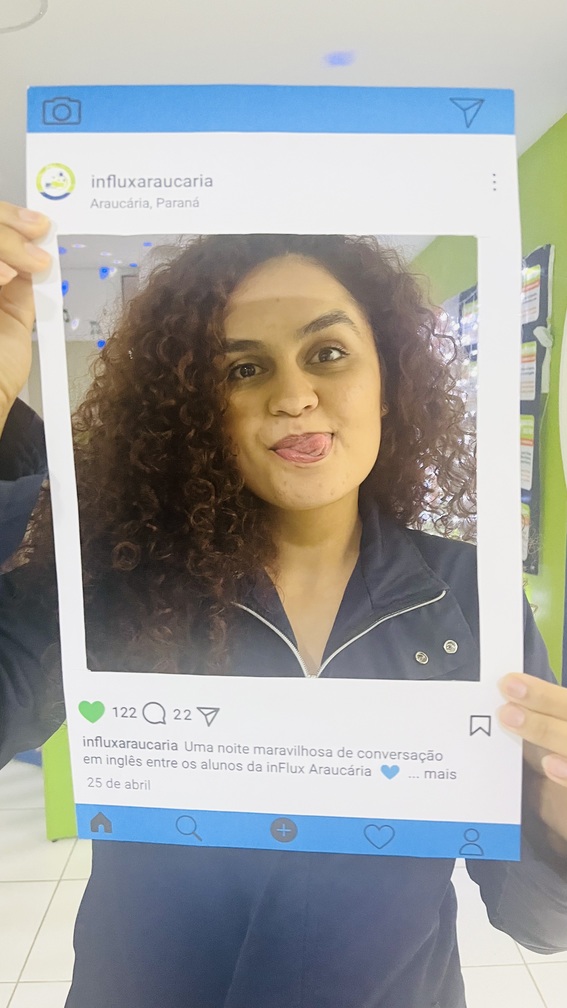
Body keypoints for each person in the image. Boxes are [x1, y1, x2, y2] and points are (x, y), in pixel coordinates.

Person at [1, 200, 567, 1008]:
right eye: (243, 369)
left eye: (327, 353)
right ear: (197, 409)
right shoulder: (117, 578)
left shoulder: (468, 596)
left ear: (387, 382)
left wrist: (556, 823)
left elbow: (536, 922)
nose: (294, 396)